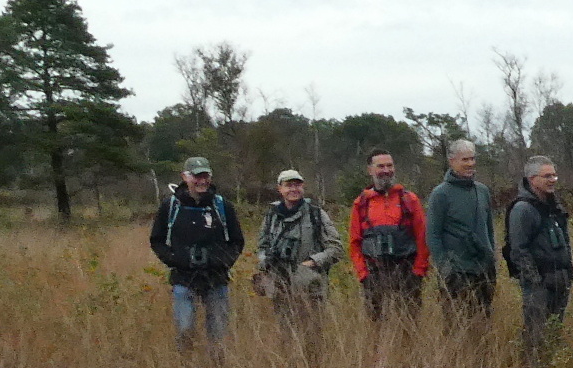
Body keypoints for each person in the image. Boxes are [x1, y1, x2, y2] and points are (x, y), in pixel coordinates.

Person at [149, 156, 244, 353]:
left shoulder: (223, 206)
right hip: (183, 279)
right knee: (185, 331)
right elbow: (157, 240)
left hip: (216, 279)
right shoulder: (170, 207)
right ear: (184, 176)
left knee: (218, 336)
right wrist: (175, 259)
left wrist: (223, 261)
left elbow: (237, 241)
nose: (202, 181)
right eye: (196, 176)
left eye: (205, 175)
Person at [505, 155, 573, 368]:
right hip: (539, 285)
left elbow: (565, 243)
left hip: (560, 281)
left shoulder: (554, 207)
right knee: (535, 335)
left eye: (554, 175)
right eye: (547, 176)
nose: (553, 179)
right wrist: (535, 282)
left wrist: (568, 274)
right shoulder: (523, 209)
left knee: (553, 334)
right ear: (532, 178)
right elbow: (518, 250)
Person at [254, 168, 340, 341]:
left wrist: (311, 263)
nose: (293, 189)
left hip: (311, 288)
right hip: (280, 287)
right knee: (286, 337)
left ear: (303, 187)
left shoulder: (316, 214)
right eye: (288, 185)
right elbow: (262, 246)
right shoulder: (272, 216)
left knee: (312, 338)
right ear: (280, 189)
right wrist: (265, 261)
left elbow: (336, 249)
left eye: (297, 185)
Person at [347, 149, 429, 319]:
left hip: (407, 272)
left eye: (389, 165)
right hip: (374, 273)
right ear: (370, 170)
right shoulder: (361, 203)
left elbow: (423, 237)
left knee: (409, 326)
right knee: (377, 327)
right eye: (380, 166)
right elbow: (355, 242)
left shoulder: (410, 200)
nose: (386, 170)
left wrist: (418, 271)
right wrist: (363, 275)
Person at [425, 140, 498, 318]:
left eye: (472, 158)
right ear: (452, 161)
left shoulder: (482, 191)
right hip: (456, 272)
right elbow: (433, 235)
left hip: (483, 270)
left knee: (483, 322)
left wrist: (491, 258)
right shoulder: (440, 194)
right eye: (465, 159)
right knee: (456, 325)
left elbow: (488, 228)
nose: (470, 164)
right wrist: (446, 268)